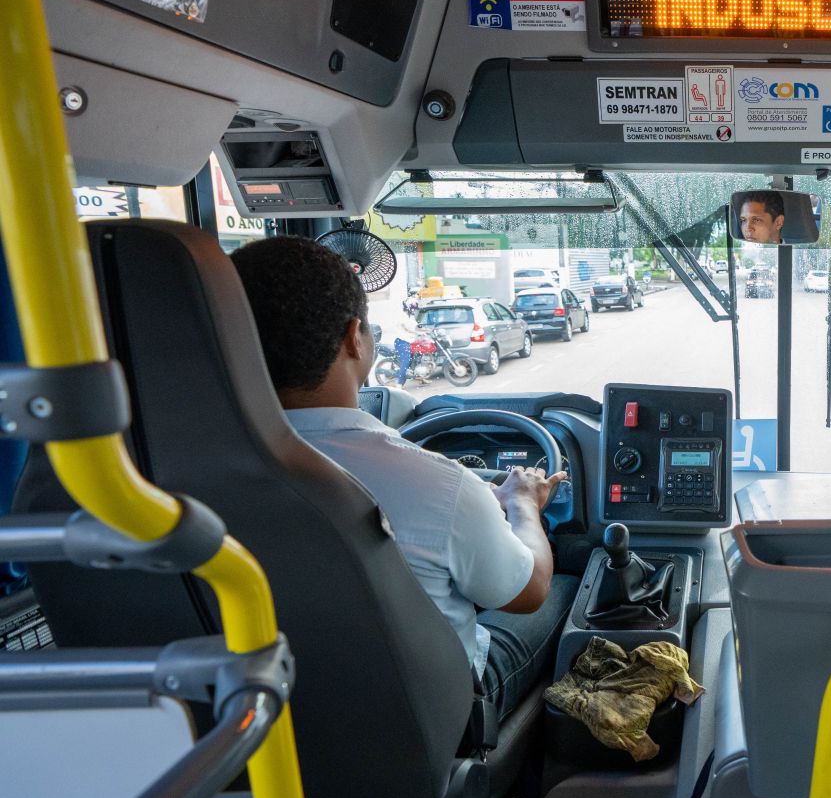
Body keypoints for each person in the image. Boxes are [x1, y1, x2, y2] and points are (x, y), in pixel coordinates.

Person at [231, 236, 576, 721]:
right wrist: (521, 503)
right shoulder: (437, 486)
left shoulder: (165, 477)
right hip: (428, 721)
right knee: (564, 585)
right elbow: (528, 591)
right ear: (355, 337)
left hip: (253, 715)